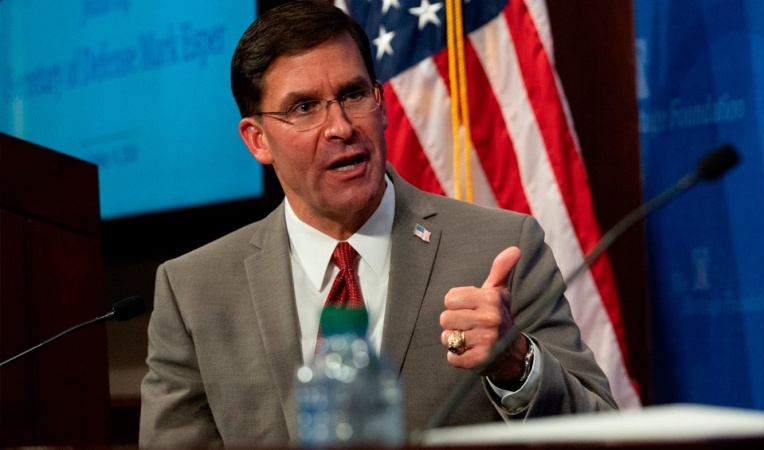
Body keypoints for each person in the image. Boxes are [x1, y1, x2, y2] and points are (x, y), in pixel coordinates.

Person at [139, 1, 616, 447]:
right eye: (304, 107)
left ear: (381, 105)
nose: (341, 127)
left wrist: (517, 365)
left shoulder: (501, 247)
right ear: (257, 139)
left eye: (353, 94)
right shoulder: (194, 291)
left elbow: (602, 432)